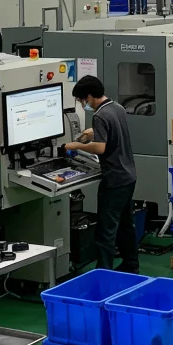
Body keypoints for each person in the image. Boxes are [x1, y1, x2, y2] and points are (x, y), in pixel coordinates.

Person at [65, 74, 139, 272]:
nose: (83, 104)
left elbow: (100, 148)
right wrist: (93, 131)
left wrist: (76, 145)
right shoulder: (117, 107)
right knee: (126, 225)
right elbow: (114, 128)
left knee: (106, 231)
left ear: (89, 96)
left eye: (82, 100)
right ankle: (131, 266)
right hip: (128, 175)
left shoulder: (99, 116)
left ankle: (103, 272)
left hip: (114, 180)